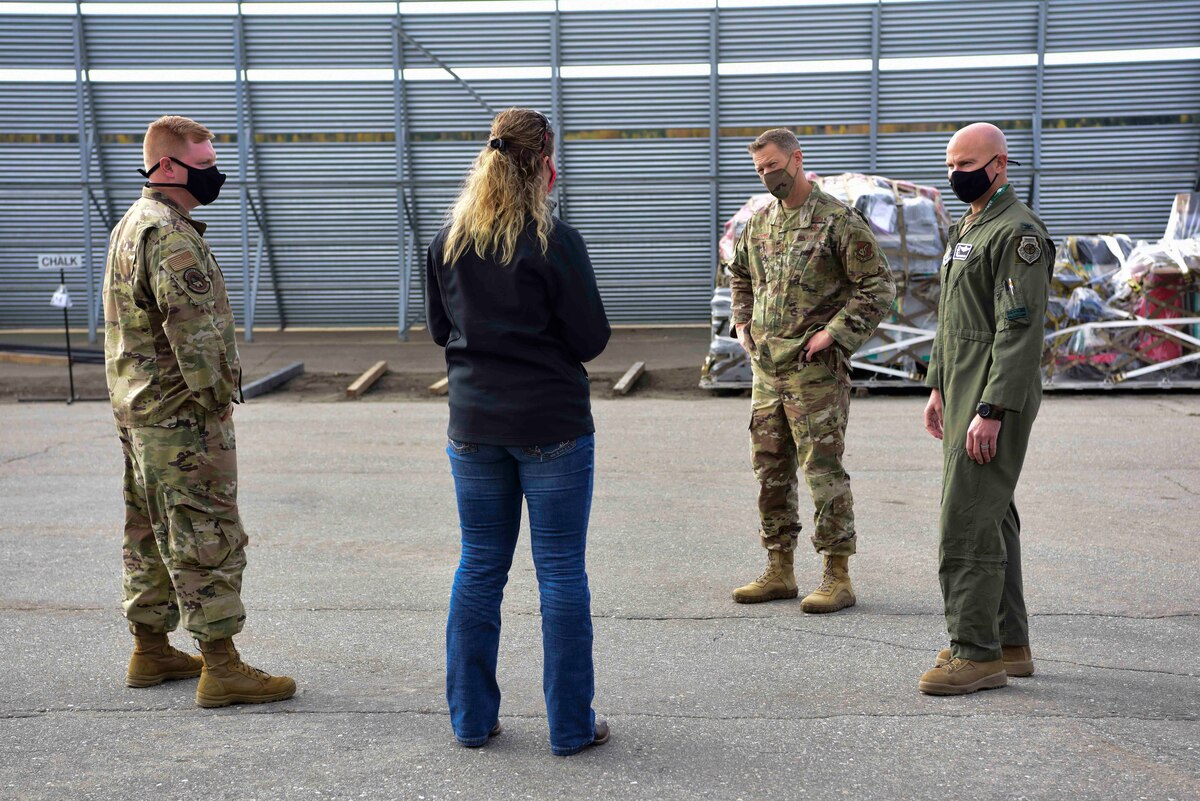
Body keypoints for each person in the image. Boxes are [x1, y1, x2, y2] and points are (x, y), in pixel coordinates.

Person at [426, 107, 611, 756]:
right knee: (560, 571)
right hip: (552, 424)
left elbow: (440, 330)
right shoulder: (556, 240)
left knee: (479, 565)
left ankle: (471, 720)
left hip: (474, 424)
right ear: (545, 164)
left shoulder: (448, 238)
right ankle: (569, 726)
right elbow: (590, 339)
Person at [103, 115, 295, 708]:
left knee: (148, 532)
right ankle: (222, 666)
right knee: (206, 533)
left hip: (139, 412)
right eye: (204, 165)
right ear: (167, 167)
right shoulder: (172, 236)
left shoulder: (131, 223)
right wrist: (217, 408)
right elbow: (200, 340)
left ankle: (150, 648)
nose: (214, 174)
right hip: (182, 418)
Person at [727, 129, 896, 611]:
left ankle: (836, 574)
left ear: (797, 160)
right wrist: (742, 322)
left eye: (775, 165)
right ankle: (779, 569)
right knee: (771, 471)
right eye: (760, 169)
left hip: (814, 372)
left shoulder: (836, 221)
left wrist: (835, 334)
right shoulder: (759, 223)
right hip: (767, 372)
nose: (768, 175)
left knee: (822, 470)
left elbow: (878, 287)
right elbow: (738, 274)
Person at [918, 122, 1053, 696]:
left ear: (999, 164)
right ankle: (1009, 643)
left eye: (967, 163)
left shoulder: (1018, 233)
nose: (956, 175)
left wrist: (992, 408)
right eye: (950, 164)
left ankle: (975, 653)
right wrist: (938, 384)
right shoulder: (972, 225)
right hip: (963, 388)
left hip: (995, 392)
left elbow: (1017, 331)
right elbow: (954, 317)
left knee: (966, 517)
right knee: (992, 512)